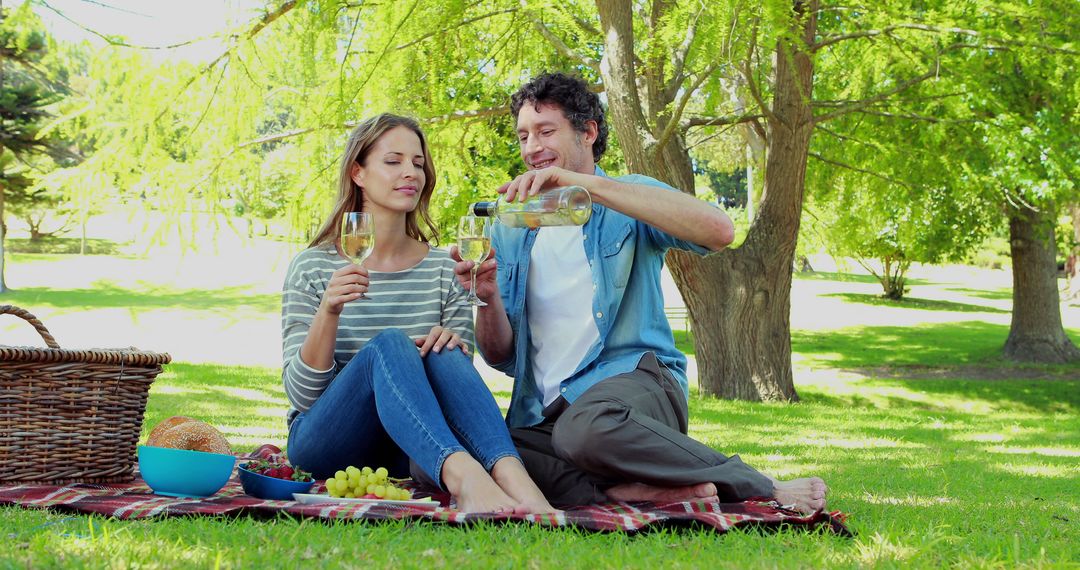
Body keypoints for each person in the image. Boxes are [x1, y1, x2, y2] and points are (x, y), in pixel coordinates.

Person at [452, 73, 828, 513]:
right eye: (523, 136)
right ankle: (622, 490)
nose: (531, 147)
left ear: (588, 132)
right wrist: (489, 296)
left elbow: (719, 232)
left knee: (585, 428)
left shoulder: (628, 199)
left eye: (545, 131)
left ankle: (757, 483)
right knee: (468, 445)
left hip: (635, 388)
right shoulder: (511, 225)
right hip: (545, 414)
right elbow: (501, 356)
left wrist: (585, 186)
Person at [281, 113, 555, 514]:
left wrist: (455, 345)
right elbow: (303, 396)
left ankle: (512, 475)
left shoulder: (444, 269)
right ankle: (466, 477)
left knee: (444, 351)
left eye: (418, 163)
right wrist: (329, 311)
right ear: (358, 172)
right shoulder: (313, 267)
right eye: (393, 161)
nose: (410, 172)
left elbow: (457, 392)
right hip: (325, 444)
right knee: (390, 345)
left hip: (411, 449)